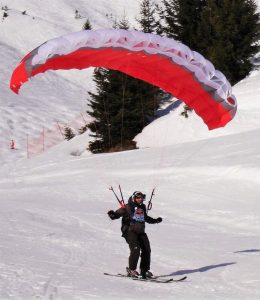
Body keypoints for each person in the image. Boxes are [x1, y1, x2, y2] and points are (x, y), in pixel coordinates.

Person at [107, 191, 162, 279]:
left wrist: (155, 220)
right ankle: (131, 270)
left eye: (142, 197)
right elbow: (118, 214)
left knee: (147, 249)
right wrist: (113, 215)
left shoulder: (142, 207)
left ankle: (144, 270)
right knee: (136, 249)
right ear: (134, 198)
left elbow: (145, 218)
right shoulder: (128, 207)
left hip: (141, 231)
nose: (141, 199)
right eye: (138, 197)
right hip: (129, 231)